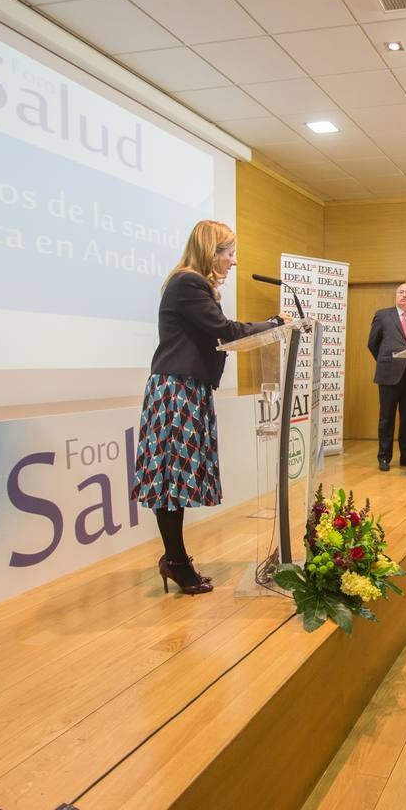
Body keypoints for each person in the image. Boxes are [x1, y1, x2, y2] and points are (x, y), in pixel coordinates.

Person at [132, 221, 288, 595]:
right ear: (210, 250)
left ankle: (176, 559)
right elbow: (225, 330)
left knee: (177, 480)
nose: (233, 261)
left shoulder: (192, 284)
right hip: (176, 391)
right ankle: (176, 561)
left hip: (188, 389)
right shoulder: (188, 282)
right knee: (171, 481)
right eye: (228, 252)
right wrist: (273, 323)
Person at [367, 283, 406, 471]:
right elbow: (372, 343)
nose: (404, 295)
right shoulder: (382, 315)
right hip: (388, 374)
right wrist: (386, 361)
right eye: (400, 292)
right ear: (396, 296)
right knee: (386, 418)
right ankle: (384, 457)